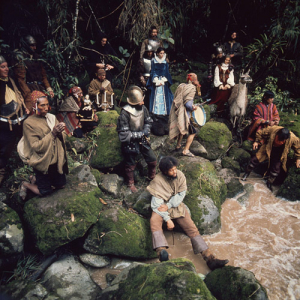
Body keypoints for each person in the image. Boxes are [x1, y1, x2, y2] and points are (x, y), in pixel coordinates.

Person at [147, 156, 229, 270]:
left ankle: (210, 258)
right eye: (171, 170)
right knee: (154, 221)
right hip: (160, 207)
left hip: (174, 205)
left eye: (175, 168)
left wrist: (170, 205)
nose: (175, 171)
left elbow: (181, 194)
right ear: (165, 172)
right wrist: (168, 219)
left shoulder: (180, 175)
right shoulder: (157, 181)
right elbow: (156, 205)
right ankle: (161, 252)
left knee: (192, 228)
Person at [19, 91, 68, 200]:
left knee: (61, 185)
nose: (46, 108)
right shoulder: (29, 123)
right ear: (35, 106)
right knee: (45, 192)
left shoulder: (51, 117)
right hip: (41, 160)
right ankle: (26, 184)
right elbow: (36, 146)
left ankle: (35, 179)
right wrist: (53, 134)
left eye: (47, 104)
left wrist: (61, 132)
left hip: (55, 159)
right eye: (42, 105)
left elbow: (63, 136)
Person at [117, 86, 157, 193]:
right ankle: (130, 183)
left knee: (152, 160)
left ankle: (151, 177)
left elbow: (148, 121)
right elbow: (124, 134)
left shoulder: (143, 109)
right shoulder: (124, 113)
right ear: (134, 102)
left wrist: (146, 130)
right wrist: (140, 134)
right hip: (130, 142)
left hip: (143, 139)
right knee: (130, 164)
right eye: (140, 101)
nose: (143, 103)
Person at [0, 56, 29, 186]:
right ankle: (1, 172)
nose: (6, 69)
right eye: (3, 67)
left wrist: (25, 108)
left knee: (28, 140)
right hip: (5, 124)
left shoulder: (12, 81)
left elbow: (19, 96)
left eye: (6, 66)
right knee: (4, 149)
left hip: (20, 120)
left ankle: (30, 165)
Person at [242, 126, 300, 191]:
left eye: (283, 141)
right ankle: (246, 174)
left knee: (276, 170)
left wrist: (298, 158)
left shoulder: (292, 138)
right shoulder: (272, 130)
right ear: (277, 135)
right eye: (279, 140)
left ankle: (269, 182)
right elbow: (260, 132)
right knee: (254, 160)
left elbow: (298, 147)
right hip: (268, 149)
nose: (281, 142)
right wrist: (257, 141)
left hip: (280, 154)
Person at [13, 35, 54, 112]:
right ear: (26, 45)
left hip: (39, 87)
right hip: (28, 89)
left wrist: (49, 89)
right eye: (32, 45)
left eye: (35, 45)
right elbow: (20, 79)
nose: (34, 48)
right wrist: (28, 95)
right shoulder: (20, 57)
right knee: (31, 110)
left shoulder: (36, 56)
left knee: (46, 109)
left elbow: (43, 75)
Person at [169, 73, 201, 157]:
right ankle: (186, 150)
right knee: (193, 132)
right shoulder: (192, 88)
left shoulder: (182, 86)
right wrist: (193, 107)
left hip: (179, 112)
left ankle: (178, 145)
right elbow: (187, 104)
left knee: (181, 129)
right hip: (184, 114)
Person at [147, 47, 173, 116]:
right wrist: (156, 81)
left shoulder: (165, 62)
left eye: (163, 53)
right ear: (157, 53)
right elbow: (152, 72)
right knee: (156, 97)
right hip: (156, 81)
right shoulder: (153, 61)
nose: (162, 55)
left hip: (163, 81)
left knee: (164, 97)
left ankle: (163, 112)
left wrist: (163, 80)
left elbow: (167, 72)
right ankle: (155, 112)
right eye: (161, 53)